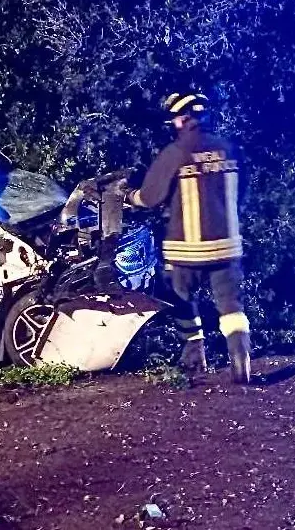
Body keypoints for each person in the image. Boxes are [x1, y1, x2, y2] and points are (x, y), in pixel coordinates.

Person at [120, 90, 252, 384]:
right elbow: (242, 193)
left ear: (183, 119)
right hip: (228, 247)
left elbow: (151, 197)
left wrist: (128, 198)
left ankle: (195, 356)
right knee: (231, 306)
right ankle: (241, 361)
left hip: (187, 250)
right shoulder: (229, 149)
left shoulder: (176, 152)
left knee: (180, 298)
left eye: (175, 119)